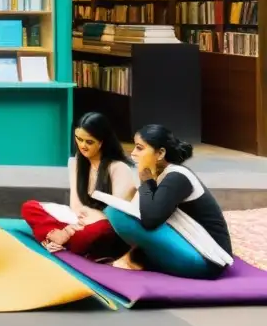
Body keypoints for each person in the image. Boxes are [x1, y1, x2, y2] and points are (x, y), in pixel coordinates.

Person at [109, 124, 232, 280]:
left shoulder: (177, 176)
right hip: (192, 246)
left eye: (140, 148)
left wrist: (146, 180)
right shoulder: (161, 176)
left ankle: (137, 260)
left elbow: (150, 220)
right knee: (115, 211)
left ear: (160, 153)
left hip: (208, 259)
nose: (133, 153)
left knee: (118, 215)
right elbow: (141, 209)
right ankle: (135, 259)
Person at [21, 111, 135, 259]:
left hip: (106, 223)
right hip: (80, 218)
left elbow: (117, 215)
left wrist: (69, 231)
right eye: (78, 139)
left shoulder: (118, 167)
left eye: (89, 142)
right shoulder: (76, 162)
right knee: (30, 207)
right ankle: (58, 239)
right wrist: (73, 225)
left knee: (92, 234)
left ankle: (56, 238)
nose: (82, 146)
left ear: (102, 141)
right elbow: (75, 205)